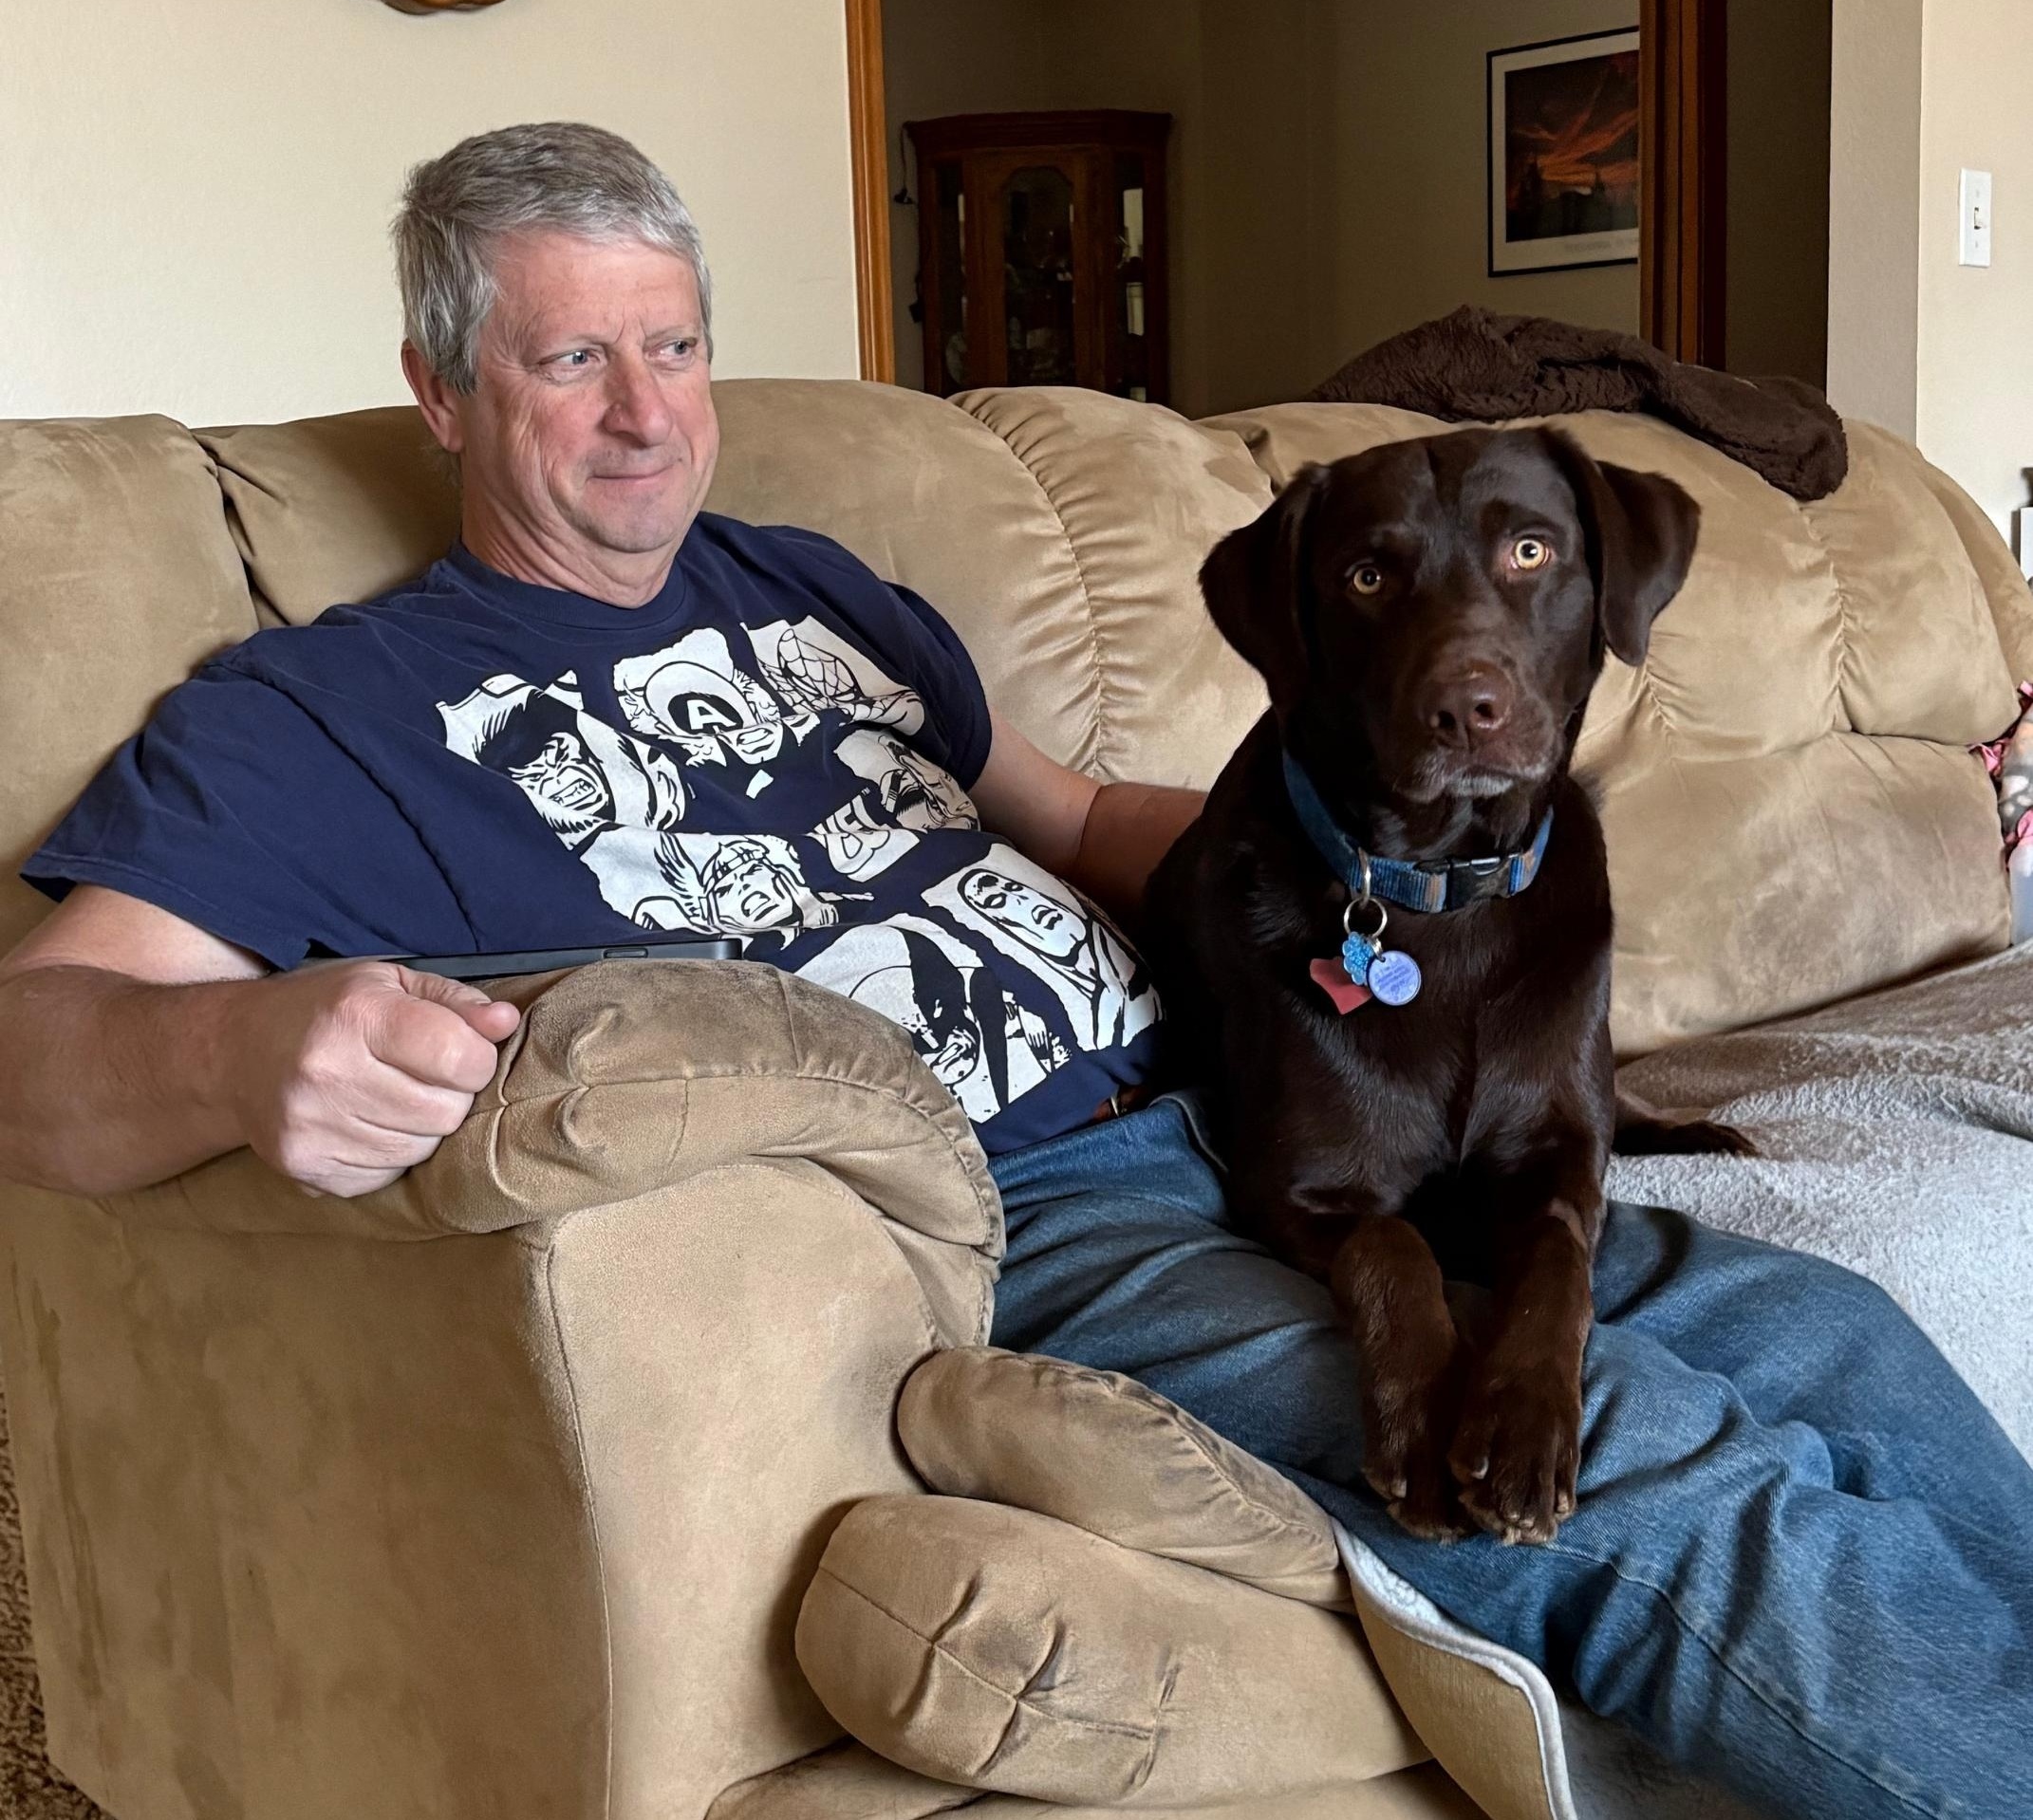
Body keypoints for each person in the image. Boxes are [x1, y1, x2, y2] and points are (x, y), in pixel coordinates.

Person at [0, 123, 2024, 1820]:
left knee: (1835, 1336)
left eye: (674, 346)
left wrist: (1390, 921)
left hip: (1267, 1094)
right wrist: (257, 1049)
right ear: (443, 390)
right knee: (1676, 1476)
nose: (643, 416)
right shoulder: (324, 717)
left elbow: (1079, 817)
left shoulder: (806, 586)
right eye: (567, 364)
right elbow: (36, 1043)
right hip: (1033, 1212)